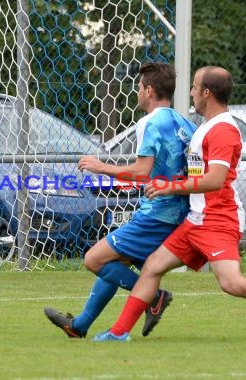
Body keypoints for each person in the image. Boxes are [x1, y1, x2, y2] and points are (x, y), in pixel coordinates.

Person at [92, 66, 246, 344]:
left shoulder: (224, 130)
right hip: (196, 218)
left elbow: (214, 180)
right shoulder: (206, 127)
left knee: (231, 283)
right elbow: (196, 172)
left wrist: (170, 186)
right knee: (153, 266)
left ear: (206, 93)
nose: (189, 92)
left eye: (194, 87)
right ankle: (119, 333)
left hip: (217, 219)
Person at [44, 62, 197, 338]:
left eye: (138, 87)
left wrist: (101, 167)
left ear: (149, 90)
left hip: (156, 214)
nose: (136, 92)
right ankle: (78, 327)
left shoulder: (149, 123)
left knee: (94, 260)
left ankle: (154, 297)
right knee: (117, 262)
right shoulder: (185, 124)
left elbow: (141, 172)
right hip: (177, 212)